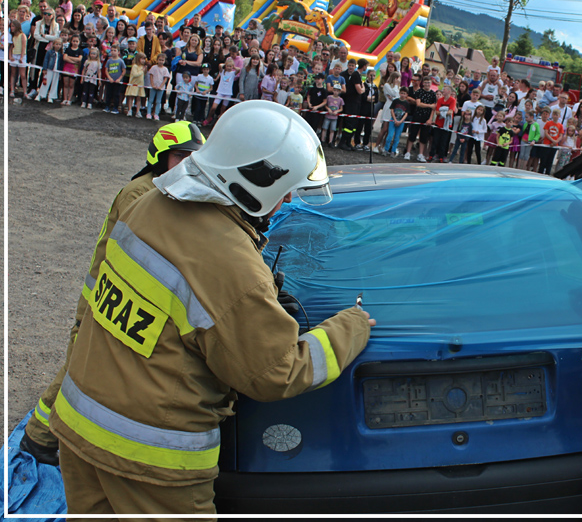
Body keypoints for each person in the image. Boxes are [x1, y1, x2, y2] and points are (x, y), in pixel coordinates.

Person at [52, 102, 375, 517]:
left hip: (79, 428)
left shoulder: (147, 202)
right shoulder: (230, 263)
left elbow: (102, 297)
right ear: (253, 182)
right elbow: (274, 371)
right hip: (153, 460)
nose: (290, 197)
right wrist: (351, 327)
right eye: (285, 187)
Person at [20, 123, 205, 466]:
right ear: (161, 157)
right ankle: (38, 437)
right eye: (180, 156)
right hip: (103, 294)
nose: (186, 164)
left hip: (119, 294)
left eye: (193, 157)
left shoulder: (168, 189)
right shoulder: (141, 193)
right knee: (79, 363)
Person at [145, 52, 171, 120]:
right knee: (150, 100)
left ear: (164, 61)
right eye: (159, 60)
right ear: (157, 60)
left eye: (162, 60)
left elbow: (165, 78)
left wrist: (161, 86)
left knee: (158, 101)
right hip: (153, 86)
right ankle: (148, 113)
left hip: (161, 88)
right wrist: (152, 84)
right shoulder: (154, 67)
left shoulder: (165, 69)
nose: (161, 61)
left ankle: (156, 114)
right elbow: (151, 76)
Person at [102, 45, 126, 114]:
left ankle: (115, 108)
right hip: (110, 81)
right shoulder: (109, 61)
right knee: (108, 94)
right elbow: (106, 70)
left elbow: (123, 71)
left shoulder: (121, 61)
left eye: (114, 50)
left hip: (117, 82)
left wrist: (119, 79)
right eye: (111, 50)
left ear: (118, 52)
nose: (113, 52)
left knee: (116, 95)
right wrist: (109, 78)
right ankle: (107, 106)